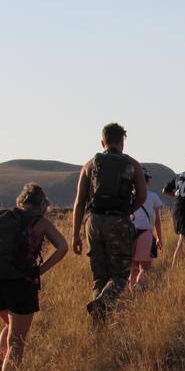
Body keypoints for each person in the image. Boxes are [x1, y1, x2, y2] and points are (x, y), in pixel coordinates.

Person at [0, 184, 68, 371]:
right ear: (42, 204)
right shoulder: (41, 222)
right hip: (20, 283)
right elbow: (63, 247)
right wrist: (40, 270)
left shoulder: (2, 217)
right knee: (17, 341)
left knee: (10, 326)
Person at [72, 123, 147, 323]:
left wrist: (75, 235)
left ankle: (98, 323)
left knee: (100, 276)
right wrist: (126, 212)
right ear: (122, 142)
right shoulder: (132, 164)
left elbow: (79, 203)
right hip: (118, 220)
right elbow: (142, 195)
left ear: (102, 142)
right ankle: (102, 302)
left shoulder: (90, 164)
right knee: (120, 275)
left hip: (94, 222)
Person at [129, 167, 163, 292]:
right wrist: (159, 237)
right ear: (146, 181)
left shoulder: (127, 197)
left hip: (129, 234)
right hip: (145, 233)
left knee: (133, 268)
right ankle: (139, 290)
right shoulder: (153, 197)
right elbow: (157, 220)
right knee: (145, 268)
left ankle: (132, 294)